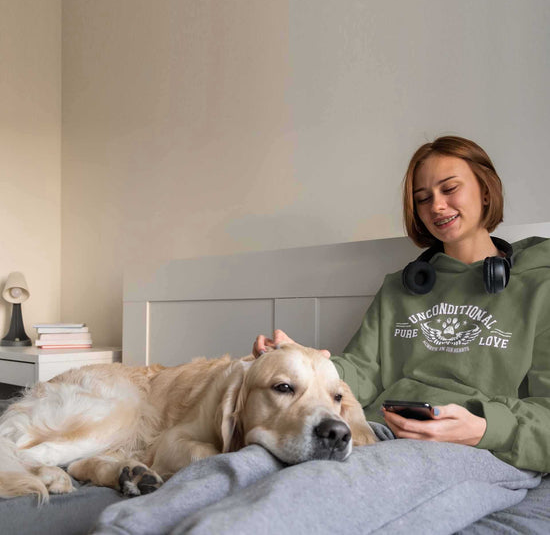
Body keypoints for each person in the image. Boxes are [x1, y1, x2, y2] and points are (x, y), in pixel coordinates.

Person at [97, 137, 550, 535]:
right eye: (422, 197)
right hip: (380, 430)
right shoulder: (403, 285)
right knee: (250, 460)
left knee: (324, 492)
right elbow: (360, 372)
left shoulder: (540, 287)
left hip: (475, 446)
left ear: (485, 189)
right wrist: (299, 359)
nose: (436, 205)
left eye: (450, 188)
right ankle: (130, 525)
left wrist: (485, 427)